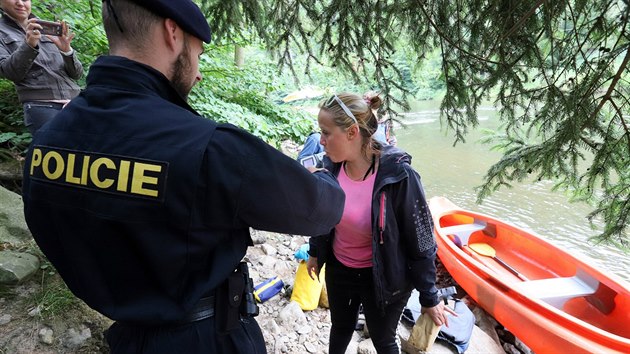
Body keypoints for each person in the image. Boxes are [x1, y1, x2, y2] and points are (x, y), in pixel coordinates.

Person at [21, 0, 345, 353]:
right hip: (210, 340)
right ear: (172, 32)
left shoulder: (46, 143)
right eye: (199, 53)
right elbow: (319, 211)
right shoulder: (209, 147)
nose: (199, 72)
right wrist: (321, 172)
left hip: (126, 339)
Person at [306, 92, 455, 354]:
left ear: (352, 132)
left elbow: (421, 240)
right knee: (340, 327)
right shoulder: (330, 168)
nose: (321, 140)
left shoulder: (398, 175)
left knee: (383, 340)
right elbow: (323, 216)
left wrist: (429, 296)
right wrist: (316, 253)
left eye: (326, 133)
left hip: (385, 275)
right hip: (340, 268)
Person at [0, 0, 83, 134]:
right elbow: (10, 72)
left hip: (76, 103)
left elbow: (77, 74)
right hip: (42, 105)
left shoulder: (47, 28)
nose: (20, 3)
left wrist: (66, 51)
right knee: (54, 151)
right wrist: (29, 45)